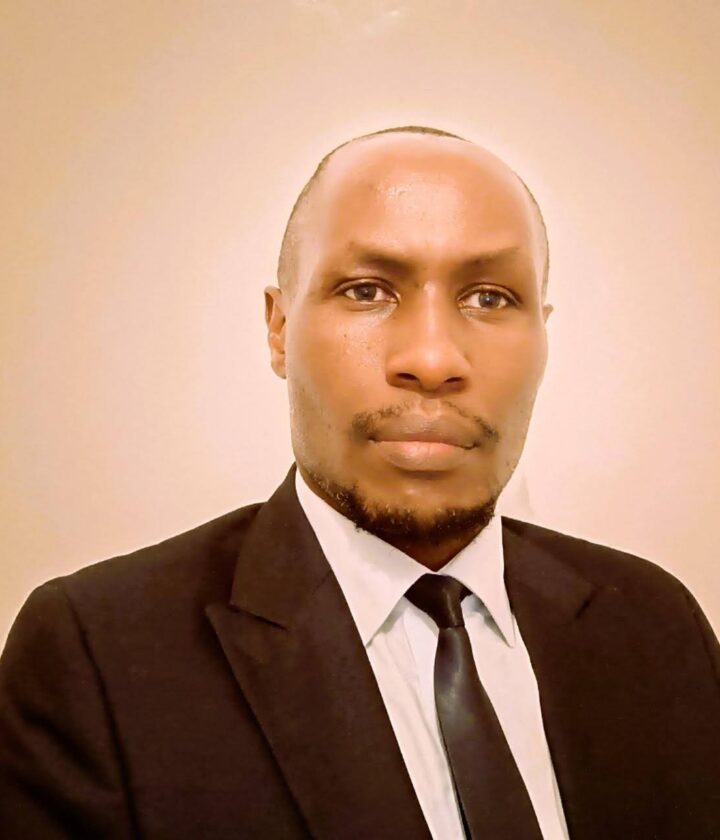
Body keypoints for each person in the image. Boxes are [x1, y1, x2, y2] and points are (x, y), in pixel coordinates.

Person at [1, 126, 719, 840]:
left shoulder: (657, 627)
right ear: (279, 329)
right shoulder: (97, 655)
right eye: (367, 290)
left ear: (544, 335)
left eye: (490, 298)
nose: (432, 359)